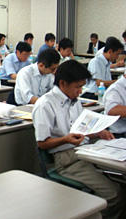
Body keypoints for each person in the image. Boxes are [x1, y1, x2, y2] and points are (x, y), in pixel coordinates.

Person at [32, 60, 125, 219]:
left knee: (122, 183)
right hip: (66, 159)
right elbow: (42, 143)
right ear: (63, 83)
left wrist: (97, 132)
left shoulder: (74, 101)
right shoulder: (45, 104)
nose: (80, 91)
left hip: (85, 150)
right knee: (114, 194)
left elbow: (81, 128)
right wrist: (66, 140)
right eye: (78, 87)